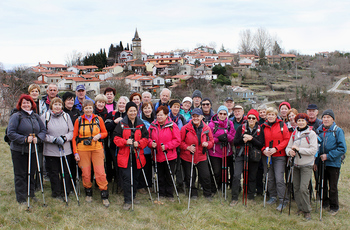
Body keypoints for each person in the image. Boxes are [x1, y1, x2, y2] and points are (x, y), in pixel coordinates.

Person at [7, 94, 46, 204]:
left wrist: (38, 139)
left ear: (31, 104)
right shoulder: (16, 116)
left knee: (31, 173)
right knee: (20, 174)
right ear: (20, 104)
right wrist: (25, 139)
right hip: (19, 150)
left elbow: (43, 130)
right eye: (23, 102)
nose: (26, 104)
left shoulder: (35, 116)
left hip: (33, 149)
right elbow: (11, 133)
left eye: (28, 102)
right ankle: (21, 198)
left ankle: (31, 194)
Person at [72, 100, 109, 207]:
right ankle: (88, 192)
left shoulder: (99, 119)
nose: (88, 110)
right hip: (83, 149)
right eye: (86, 108)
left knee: (100, 172)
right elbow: (74, 137)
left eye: (90, 108)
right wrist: (75, 152)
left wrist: (100, 136)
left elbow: (105, 133)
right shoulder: (78, 120)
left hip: (97, 148)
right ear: (83, 109)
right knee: (86, 172)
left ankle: (104, 194)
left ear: (93, 108)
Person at [113, 102, 149, 210]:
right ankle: (127, 200)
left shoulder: (141, 124)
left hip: (137, 155)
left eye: (134, 110)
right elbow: (115, 138)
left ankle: (133, 196)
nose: (132, 112)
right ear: (127, 112)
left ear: (137, 111)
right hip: (125, 155)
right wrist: (125, 142)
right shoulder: (122, 124)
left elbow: (146, 138)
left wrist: (140, 143)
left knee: (136, 176)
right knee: (127, 177)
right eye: (130, 111)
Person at [41, 98, 74, 200]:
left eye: (59, 104)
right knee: (54, 173)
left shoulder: (66, 116)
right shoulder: (45, 116)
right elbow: (42, 134)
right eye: (55, 104)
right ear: (51, 106)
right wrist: (53, 139)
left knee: (66, 171)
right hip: (51, 151)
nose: (57, 107)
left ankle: (66, 191)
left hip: (65, 150)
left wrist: (64, 138)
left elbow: (71, 131)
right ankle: (56, 192)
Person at [286, 113, 317, 220]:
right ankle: (300, 208)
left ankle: (307, 210)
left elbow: (313, 150)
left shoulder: (311, 134)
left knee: (304, 188)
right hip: (295, 164)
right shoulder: (294, 134)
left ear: (306, 121)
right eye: (298, 120)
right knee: (296, 188)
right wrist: (290, 152)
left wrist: (299, 150)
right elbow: (288, 147)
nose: (300, 122)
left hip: (307, 165)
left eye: (303, 120)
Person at [315, 109, 347, 216]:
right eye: (324, 117)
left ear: (333, 119)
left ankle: (334, 206)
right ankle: (324, 203)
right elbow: (316, 147)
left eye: (328, 117)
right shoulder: (318, 131)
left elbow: (342, 148)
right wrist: (316, 161)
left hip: (333, 163)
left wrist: (328, 156)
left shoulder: (337, 131)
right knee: (322, 183)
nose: (326, 119)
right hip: (321, 162)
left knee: (332, 186)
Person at [230, 109, 264, 206]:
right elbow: (235, 141)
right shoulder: (241, 128)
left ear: (257, 119)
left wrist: (251, 139)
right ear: (247, 118)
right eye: (249, 117)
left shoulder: (260, 129)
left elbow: (261, 144)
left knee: (252, 176)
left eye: (253, 118)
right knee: (236, 176)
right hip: (241, 154)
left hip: (254, 156)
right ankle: (234, 197)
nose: (251, 119)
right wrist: (243, 138)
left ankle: (250, 195)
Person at [180, 108, 214, 200]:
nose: (195, 118)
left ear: (201, 117)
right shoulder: (185, 128)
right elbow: (180, 142)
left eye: (197, 116)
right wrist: (188, 147)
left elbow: (211, 141)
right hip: (188, 156)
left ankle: (207, 193)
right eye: (194, 116)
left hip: (201, 156)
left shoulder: (207, 128)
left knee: (205, 175)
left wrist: (207, 144)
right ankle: (193, 193)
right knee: (190, 176)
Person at [148, 106, 181, 202]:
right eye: (158, 115)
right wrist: (151, 143)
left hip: (169, 155)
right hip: (157, 155)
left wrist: (167, 146)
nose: (159, 117)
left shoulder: (172, 125)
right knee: (160, 175)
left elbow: (177, 140)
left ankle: (170, 194)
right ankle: (161, 193)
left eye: (161, 115)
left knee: (169, 175)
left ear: (166, 115)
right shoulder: (152, 125)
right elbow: (148, 138)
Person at [261, 107, 290, 211]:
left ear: (275, 115)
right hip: (267, 156)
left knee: (279, 179)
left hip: (279, 156)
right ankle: (272, 196)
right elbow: (260, 141)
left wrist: (276, 149)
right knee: (270, 177)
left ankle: (283, 200)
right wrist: (264, 150)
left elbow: (287, 140)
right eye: (269, 114)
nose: (270, 116)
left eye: (272, 114)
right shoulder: (263, 126)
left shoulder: (282, 125)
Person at [208, 106, 236, 195]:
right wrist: (218, 139)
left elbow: (233, 137)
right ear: (218, 114)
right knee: (216, 171)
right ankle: (214, 188)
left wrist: (227, 137)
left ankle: (222, 187)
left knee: (224, 171)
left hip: (226, 152)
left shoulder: (230, 124)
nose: (222, 115)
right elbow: (209, 138)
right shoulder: (212, 125)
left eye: (225, 114)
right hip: (214, 152)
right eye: (221, 113)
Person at [105, 96, 129, 183]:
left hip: (126, 144)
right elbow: (106, 127)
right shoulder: (112, 114)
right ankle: (117, 181)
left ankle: (124, 182)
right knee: (115, 164)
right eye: (120, 103)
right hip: (113, 145)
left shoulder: (129, 115)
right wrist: (114, 122)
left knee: (124, 164)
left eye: (124, 103)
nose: (121, 105)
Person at [138, 102, 155, 194]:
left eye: (149, 108)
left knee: (149, 168)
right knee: (142, 167)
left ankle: (149, 185)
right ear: (142, 110)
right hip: (144, 149)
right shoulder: (140, 121)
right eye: (145, 108)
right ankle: (141, 186)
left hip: (152, 148)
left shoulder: (155, 120)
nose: (147, 110)